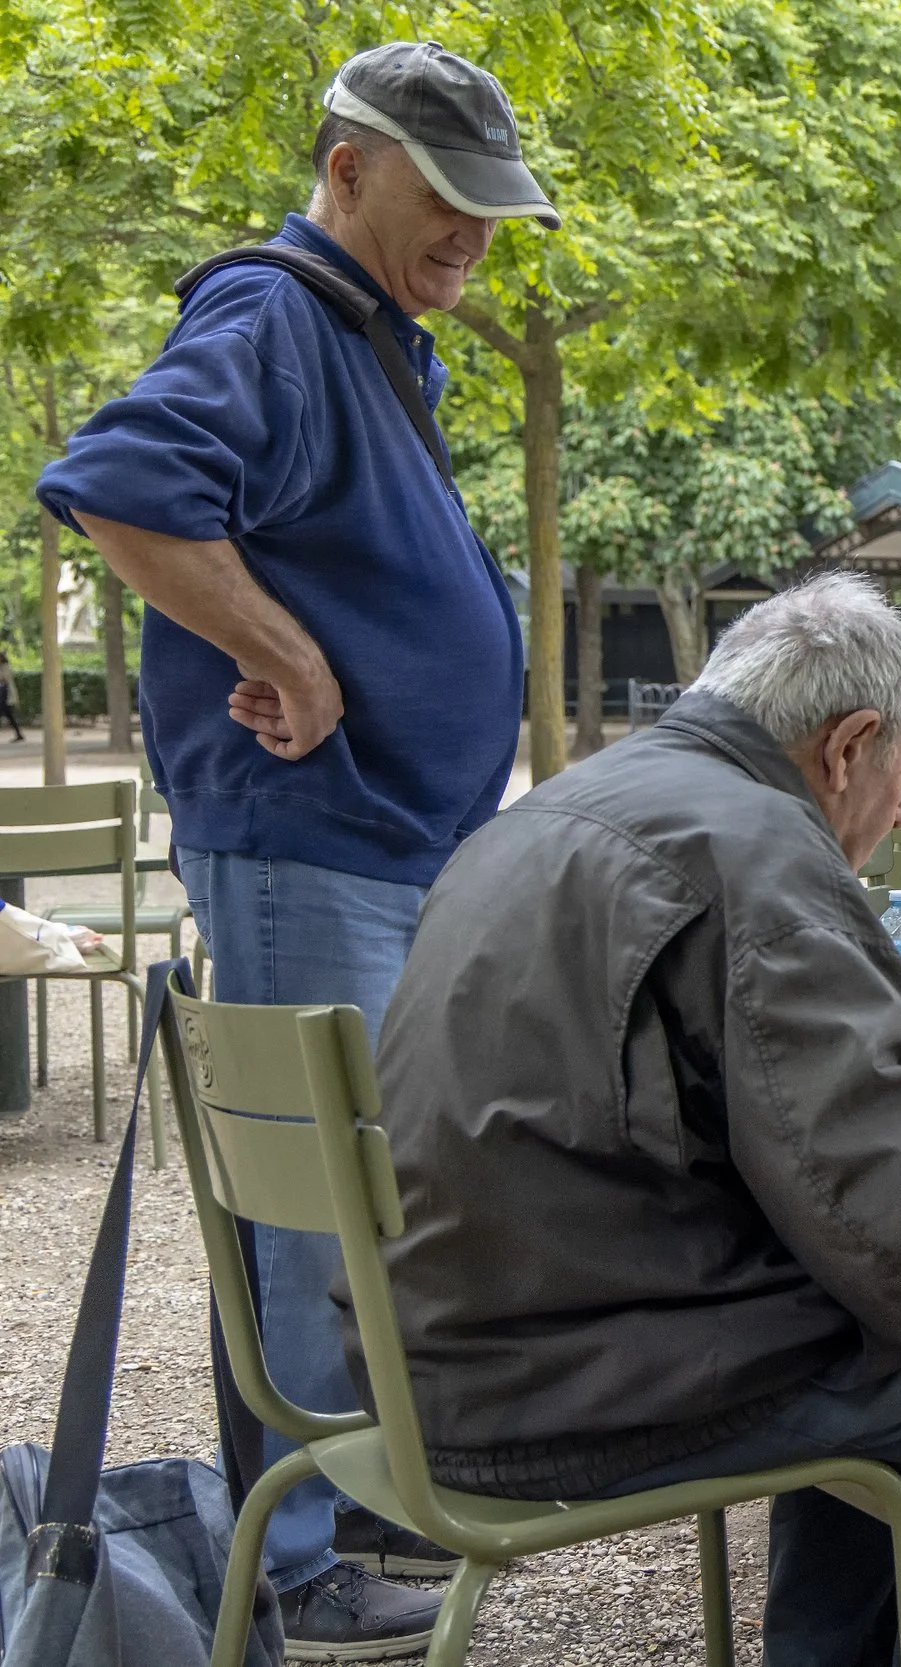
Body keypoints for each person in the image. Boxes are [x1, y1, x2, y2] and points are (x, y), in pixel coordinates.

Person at [34, 42, 550, 1657]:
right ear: (346, 167)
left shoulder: (364, 331)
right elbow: (122, 487)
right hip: (311, 836)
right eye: (445, 195)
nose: (474, 233)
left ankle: (363, 1490)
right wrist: (293, 657)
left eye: (493, 206)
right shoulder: (274, 312)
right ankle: (301, 1552)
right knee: (313, 1207)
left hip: (377, 839)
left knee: (368, 1194)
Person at [371, 574, 901, 1667]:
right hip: (564, 1382)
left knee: (882, 1344)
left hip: (432, 1353)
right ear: (847, 746)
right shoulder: (758, 850)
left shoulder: (558, 806)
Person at [0, 647, 22, 743]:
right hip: (3, 693)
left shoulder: (5, 667)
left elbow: (3, 678)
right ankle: (19, 734)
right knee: (9, 715)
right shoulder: (3, 667)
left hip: (6, 693)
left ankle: (19, 734)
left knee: (8, 714)